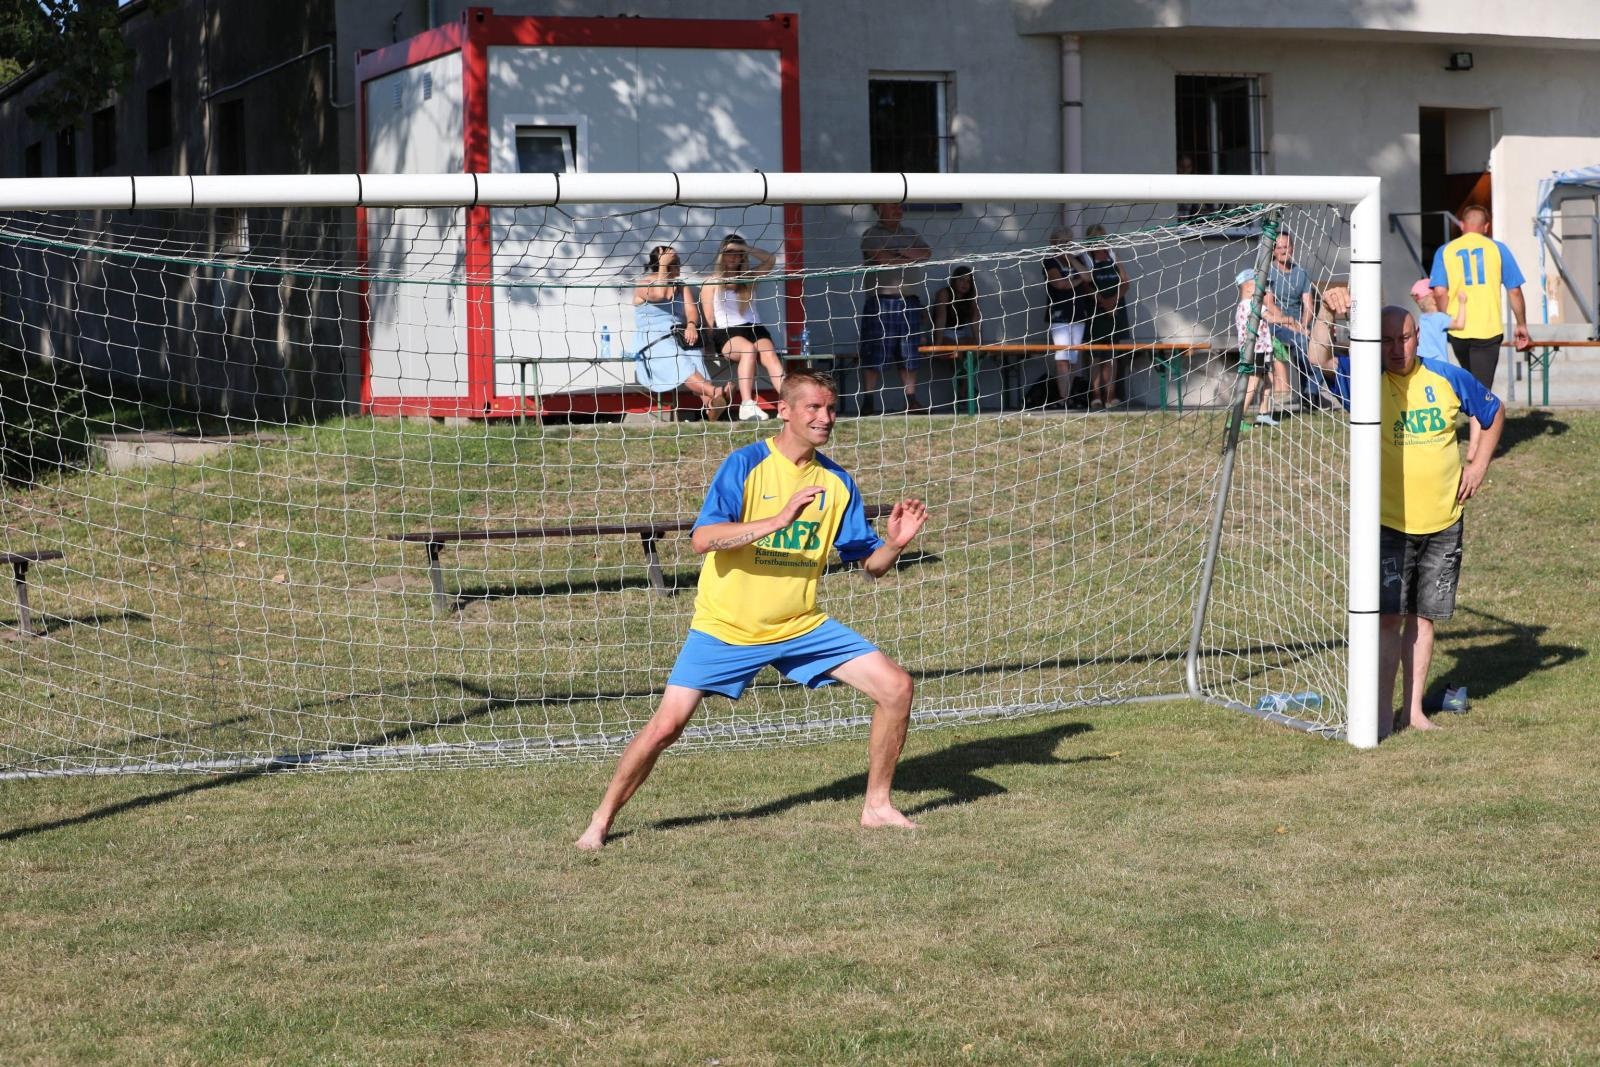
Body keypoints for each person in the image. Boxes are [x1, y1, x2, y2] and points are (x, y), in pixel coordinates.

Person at [575, 370, 931, 850]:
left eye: (831, 408)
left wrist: (893, 544)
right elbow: (703, 539)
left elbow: (871, 567)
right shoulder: (745, 464)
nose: (826, 418)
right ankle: (600, 821)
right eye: (814, 408)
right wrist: (778, 519)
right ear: (784, 410)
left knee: (896, 687)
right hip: (726, 627)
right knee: (665, 727)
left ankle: (877, 806)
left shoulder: (837, 481)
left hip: (799, 625)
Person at [1376, 305, 1504, 737]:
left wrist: (1478, 465)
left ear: (1418, 336)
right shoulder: (1364, 379)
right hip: (1389, 523)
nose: (1397, 348)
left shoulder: (1447, 377)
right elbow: (1316, 359)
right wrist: (1327, 309)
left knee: (1423, 619)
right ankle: (1378, 716)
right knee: (1387, 620)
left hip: (1443, 523)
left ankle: (1412, 712)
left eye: (1405, 337)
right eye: (1387, 340)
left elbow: (1493, 411)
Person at [1428, 205, 1533, 391]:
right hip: (1488, 328)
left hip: (1457, 328)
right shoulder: (1498, 249)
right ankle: (1480, 418)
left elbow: (1439, 292)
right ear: (1486, 227)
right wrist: (1521, 324)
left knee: (1471, 384)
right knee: (1481, 390)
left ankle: (1475, 417)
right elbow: (1514, 290)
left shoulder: (1445, 251)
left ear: (1462, 225)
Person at [631, 245, 731, 421]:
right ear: (665, 265)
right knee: (679, 358)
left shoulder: (680, 286)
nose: (680, 266)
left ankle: (711, 407)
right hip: (652, 339)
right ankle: (716, 392)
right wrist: (663, 267)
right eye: (676, 263)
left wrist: (691, 325)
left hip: (677, 335)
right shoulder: (643, 285)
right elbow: (660, 294)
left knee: (694, 356)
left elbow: (691, 311)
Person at [700, 234, 786, 422]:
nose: (733, 257)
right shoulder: (711, 281)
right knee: (748, 350)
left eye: (738, 254)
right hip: (727, 332)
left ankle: (787, 404)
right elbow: (708, 318)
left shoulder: (749, 277)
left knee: (770, 355)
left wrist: (745, 248)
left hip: (754, 327)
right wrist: (707, 343)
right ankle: (747, 405)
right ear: (722, 255)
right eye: (729, 253)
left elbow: (770, 260)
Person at [859, 203, 932, 414]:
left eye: (899, 208)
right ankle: (869, 402)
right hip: (882, 301)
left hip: (909, 301)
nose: (898, 211)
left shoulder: (911, 233)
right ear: (879, 209)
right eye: (892, 208)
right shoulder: (871, 234)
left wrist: (897, 251)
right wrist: (908, 255)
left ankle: (911, 400)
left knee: (909, 352)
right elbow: (881, 258)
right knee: (875, 352)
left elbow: (925, 253)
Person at [1265, 230, 1320, 409]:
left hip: (1298, 326)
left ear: (1292, 248)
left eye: (1286, 246)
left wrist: (1304, 324)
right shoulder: (1268, 272)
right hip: (1276, 324)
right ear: (1273, 251)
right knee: (1303, 341)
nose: (1283, 250)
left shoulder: (1301, 273)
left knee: (1314, 342)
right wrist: (1292, 324)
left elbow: (1308, 304)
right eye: (1279, 247)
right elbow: (1269, 304)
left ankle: (1310, 394)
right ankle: (1310, 394)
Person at [1234, 269, 1295, 427]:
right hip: (1256, 351)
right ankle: (1238, 418)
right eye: (1260, 286)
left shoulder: (1242, 305)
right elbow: (1270, 318)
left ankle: (1263, 413)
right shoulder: (1254, 304)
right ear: (1248, 287)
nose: (1265, 290)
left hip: (1259, 349)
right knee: (1254, 382)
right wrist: (1287, 319)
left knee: (1268, 380)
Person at [1042, 227, 1093, 409]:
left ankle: (1069, 396)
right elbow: (1059, 284)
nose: (1066, 245)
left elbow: (1088, 275)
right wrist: (1079, 280)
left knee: (1073, 358)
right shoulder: (1049, 261)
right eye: (1062, 242)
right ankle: (1062, 398)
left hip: (1078, 314)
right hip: (1059, 315)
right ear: (1054, 243)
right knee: (1062, 357)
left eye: (1069, 242)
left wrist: (1072, 259)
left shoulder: (1076, 259)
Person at [1083, 224, 1130, 410]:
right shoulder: (1086, 259)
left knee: (1111, 355)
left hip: (1115, 312)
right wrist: (1103, 303)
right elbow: (1086, 286)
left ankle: (1110, 396)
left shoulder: (1113, 256)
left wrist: (1114, 301)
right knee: (1095, 356)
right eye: (1096, 239)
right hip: (1095, 312)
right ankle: (1095, 396)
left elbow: (1125, 282)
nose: (1100, 244)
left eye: (1102, 239)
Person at [931, 264, 983, 412]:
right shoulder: (944, 293)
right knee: (956, 355)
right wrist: (937, 345)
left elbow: (975, 321)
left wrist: (979, 344)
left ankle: (963, 391)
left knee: (973, 353)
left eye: (968, 281)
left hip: (961, 334)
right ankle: (964, 391)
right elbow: (940, 319)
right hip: (945, 333)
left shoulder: (971, 296)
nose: (965, 284)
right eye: (961, 280)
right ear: (953, 281)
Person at [1410, 277, 1468, 362]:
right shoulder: (1439, 318)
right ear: (1433, 296)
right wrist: (1462, 303)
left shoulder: (1422, 318)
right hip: (1438, 362)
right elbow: (1459, 325)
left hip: (1423, 361)